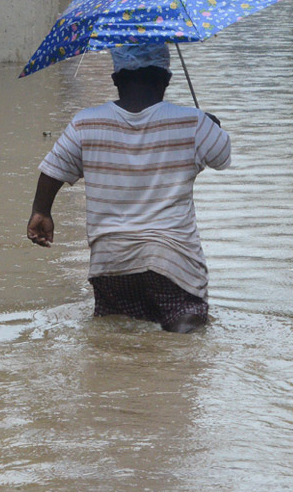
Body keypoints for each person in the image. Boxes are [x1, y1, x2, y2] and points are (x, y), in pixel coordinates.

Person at [26, 43, 231, 333]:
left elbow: (53, 170)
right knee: (185, 338)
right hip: (172, 263)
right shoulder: (193, 123)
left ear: (115, 80)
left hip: (110, 263)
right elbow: (222, 157)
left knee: (116, 339)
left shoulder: (85, 123)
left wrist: (41, 211)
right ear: (167, 80)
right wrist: (212, 124)